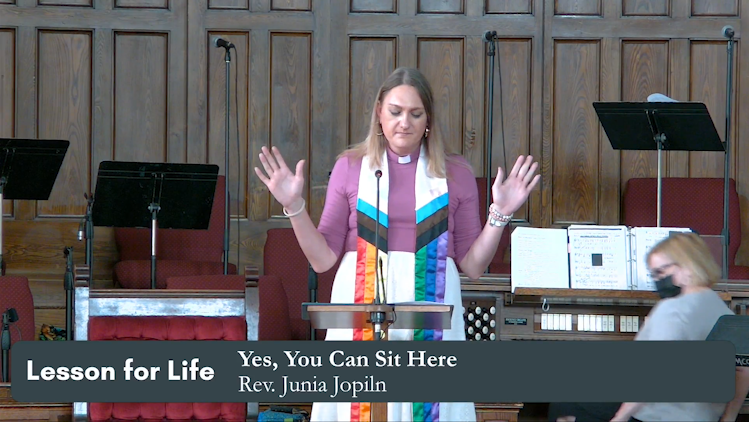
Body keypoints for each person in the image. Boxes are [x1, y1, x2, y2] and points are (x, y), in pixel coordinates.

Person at [254, 67, 540, 422]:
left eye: (415, 113)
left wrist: (500, 213)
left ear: (428, 119)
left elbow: (473, 265)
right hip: (361, 298)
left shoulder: (457, 172)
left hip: (432, 302)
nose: (404, 122)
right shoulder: (350, 167)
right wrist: (294, 207)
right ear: (378, 112)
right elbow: (322, 259)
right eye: (395, 111)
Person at [608, 232, 739, 422]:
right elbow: (742, 370)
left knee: (570, 402)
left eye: (661, 272)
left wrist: (619, 418)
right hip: (703, 416)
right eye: (653, 275)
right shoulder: (723, 309)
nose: (658, 281)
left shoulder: (672, 308)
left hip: (658, 415)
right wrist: (728, 417)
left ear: (688, 265)